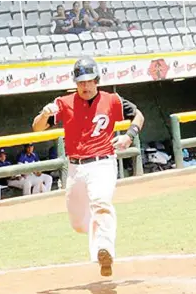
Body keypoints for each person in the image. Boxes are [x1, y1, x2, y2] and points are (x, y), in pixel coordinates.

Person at [32, 56, 145, 277]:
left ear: (97, 80)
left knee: (101, 203)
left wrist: (129, 136)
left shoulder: (112, 100)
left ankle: (105, 250)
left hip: (102, 162)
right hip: (75, 168)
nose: (85, 86)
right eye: (80, 82)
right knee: (78, 224)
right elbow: (37, 129)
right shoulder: (64, 103)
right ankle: (98, 234)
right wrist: (44, 113)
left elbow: (138, 115)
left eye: (89, 81)